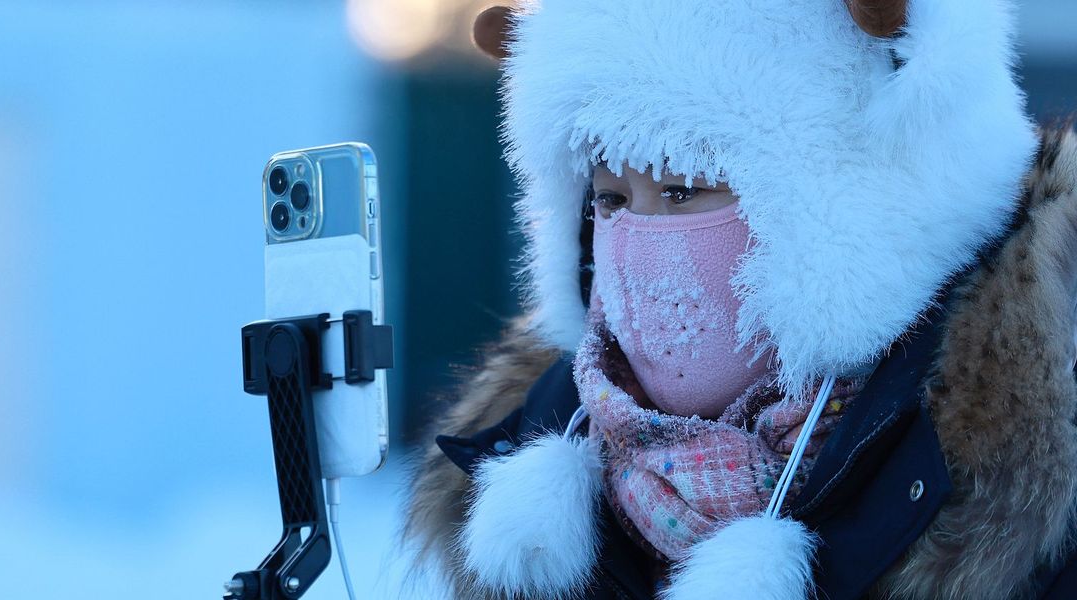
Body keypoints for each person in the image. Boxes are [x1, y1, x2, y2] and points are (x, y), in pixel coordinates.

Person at [403, 1, 1077, 598]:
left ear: (853, 207)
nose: (638, 245)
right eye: (610, 199)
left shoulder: (1020, 487)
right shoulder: (522, 464)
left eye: (682, 190)